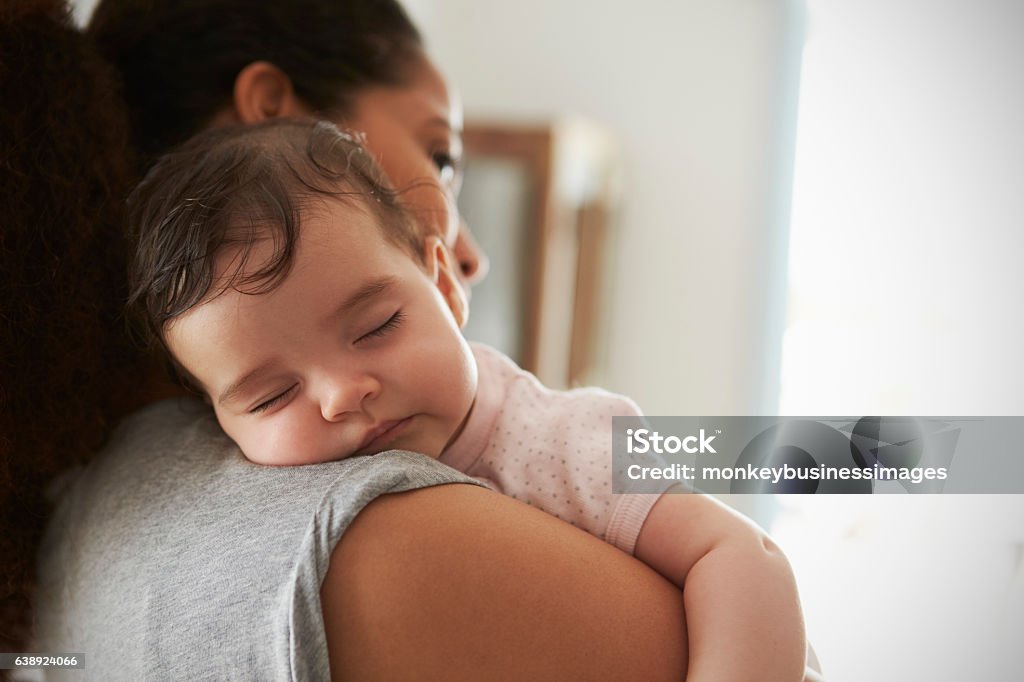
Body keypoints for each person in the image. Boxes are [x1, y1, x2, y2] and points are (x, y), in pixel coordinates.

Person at [126, 118, 808, 682]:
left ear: (445, 287)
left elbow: (745, 557)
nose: (340, 396)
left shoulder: (567, 436)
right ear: (216, 419)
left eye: (376, 327)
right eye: (273, 396)